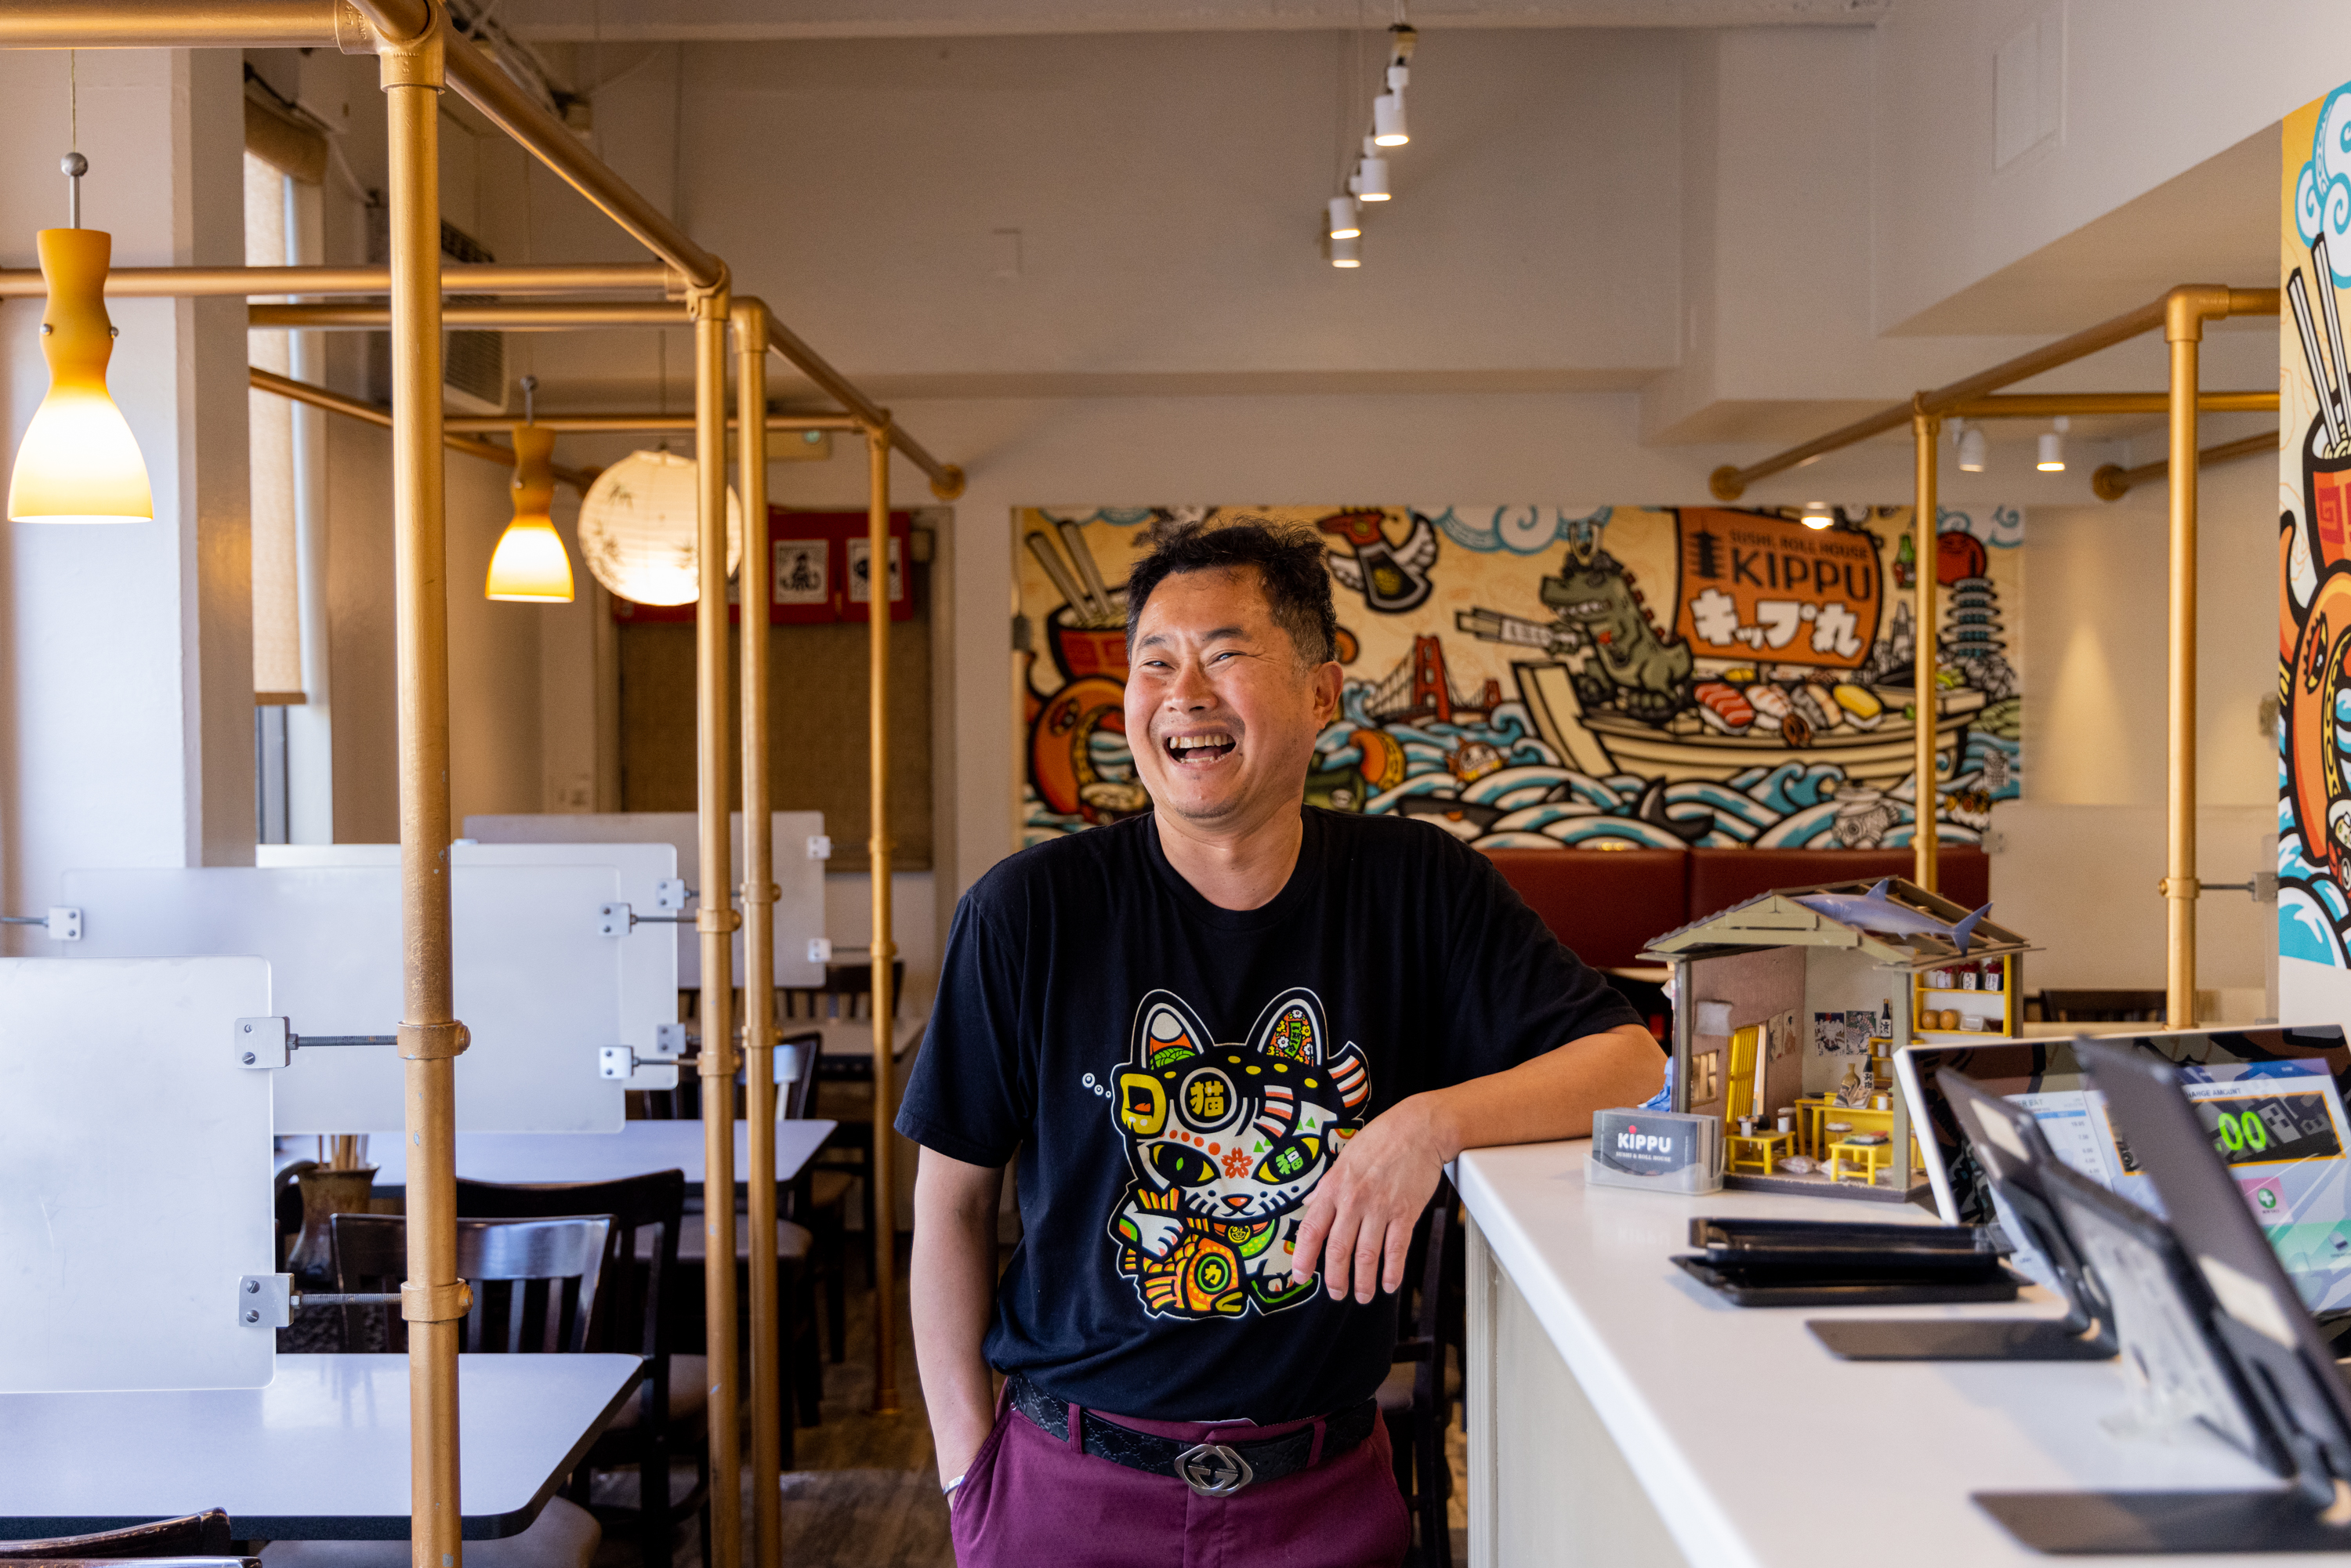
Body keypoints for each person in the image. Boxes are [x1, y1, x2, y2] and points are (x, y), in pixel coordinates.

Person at [900, 517, 1664, 1567]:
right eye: (1155, 662)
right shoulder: (1030, 910)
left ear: (1322, 692)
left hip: (1324, 1495)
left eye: (1224, 655)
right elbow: (950, 1201)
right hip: (1067, 1486)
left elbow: (1634, 1064)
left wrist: (1426, 1125)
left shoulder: (1417, 886)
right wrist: (966, 1476)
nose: (1185, 692)